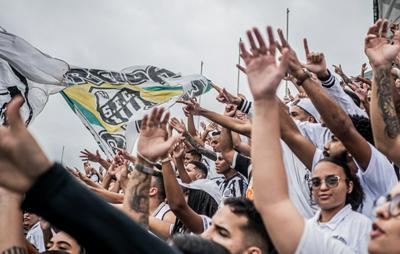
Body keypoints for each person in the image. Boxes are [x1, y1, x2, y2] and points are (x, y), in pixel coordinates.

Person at [309, 156, 371, 253]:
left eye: (332, 180)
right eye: (316, 182)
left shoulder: (362, 226)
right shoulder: (305, 228)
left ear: (349, 186)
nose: (323, 187)